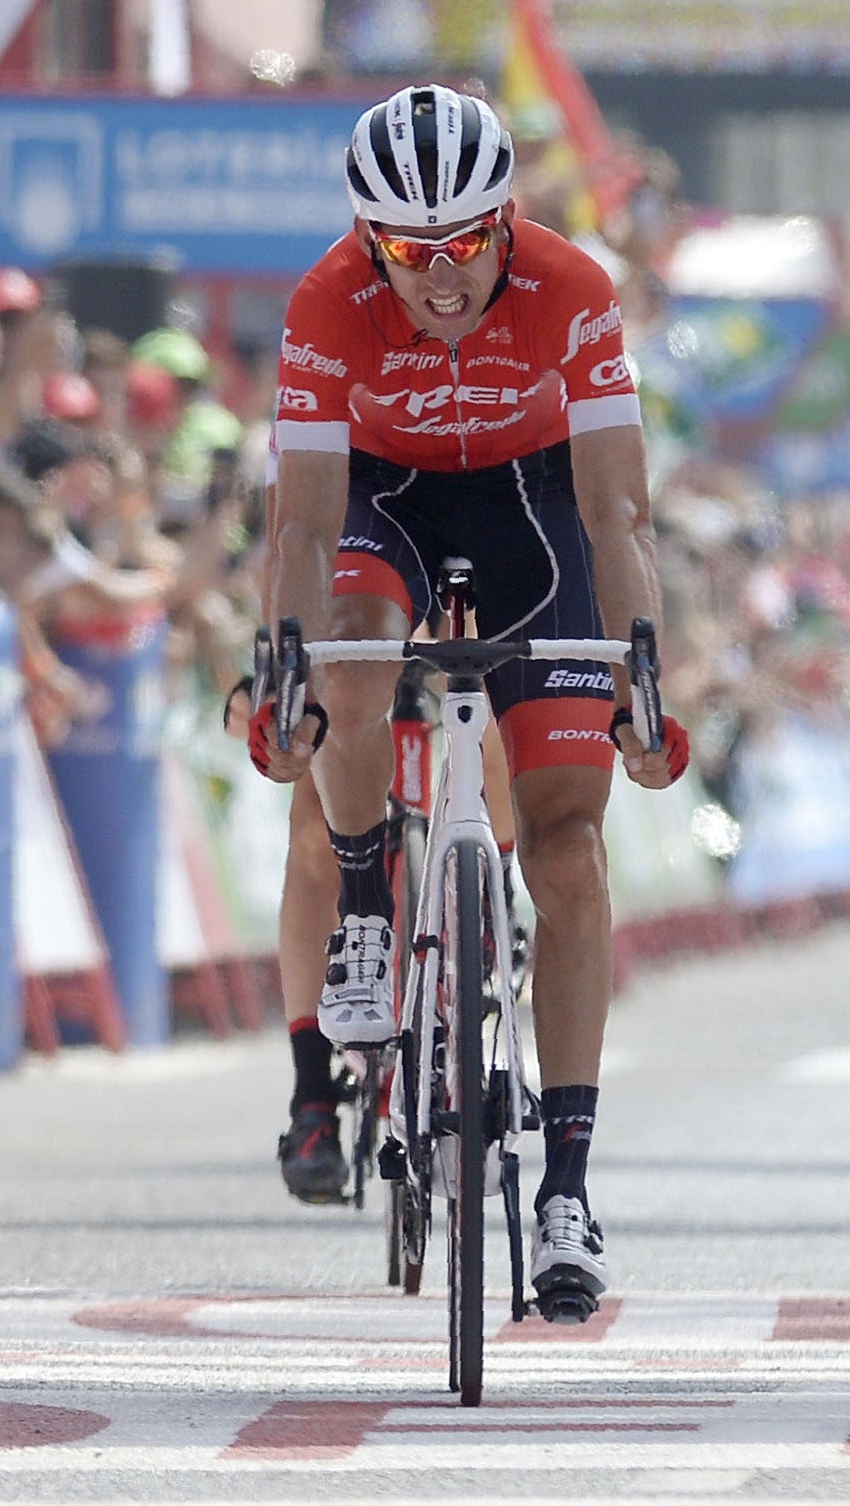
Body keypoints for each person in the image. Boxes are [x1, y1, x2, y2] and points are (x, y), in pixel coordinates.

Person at [252, 84, 689, 1323]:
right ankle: (359, 905)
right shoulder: (324, 303)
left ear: (507, 221)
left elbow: (614, 511)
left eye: (463, 245)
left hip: (532, 512)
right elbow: (302, 519)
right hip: (381, 502)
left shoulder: (574, 288)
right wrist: (286, 657)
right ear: (366, 238)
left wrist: (640, 666)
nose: (440, 277)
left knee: (565, 851)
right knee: (347, 646)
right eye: (407, 250)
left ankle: (566, 1187)